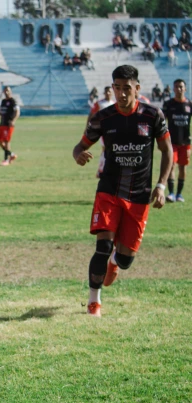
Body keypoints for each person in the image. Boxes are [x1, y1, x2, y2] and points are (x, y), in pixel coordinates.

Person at [72, 65, 172, 317]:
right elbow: (80, 145)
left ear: (137, 88)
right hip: (108, 192)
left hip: (139, 196)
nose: (121, 93)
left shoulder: (153, 115)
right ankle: (94, 300)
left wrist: (161, 185)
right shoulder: (103, 118)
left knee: (125, 259)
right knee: (102, 247)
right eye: (117, 88)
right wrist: (78, 155)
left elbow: (167, 150)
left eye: (127, 88)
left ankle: (116, 262)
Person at [162, 79, 191, 203]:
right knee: (171, 166)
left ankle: (179, 194)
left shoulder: (189, 104)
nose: (179, 89)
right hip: (171, 142)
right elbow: (162, 121)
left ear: (185, 89)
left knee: (183, 168)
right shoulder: (168, 104)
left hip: (185, 142)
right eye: (176, 87)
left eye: (181, 87)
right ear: (173, 89)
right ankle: (171, 193)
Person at [87, 85, 116, 178]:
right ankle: (101, 170)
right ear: (104, 93)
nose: (108, 93)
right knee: (105, 148)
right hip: (103, 130)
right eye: (106, 91)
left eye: (109, 91)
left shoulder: (115, 103)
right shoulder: (99, 104)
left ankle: (105, 169)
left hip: (113, 130)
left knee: (110, 149)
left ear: (112, 93)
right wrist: (88, 126)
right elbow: (91, 114)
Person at [0, 86, 20, 166]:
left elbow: (17, 112)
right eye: (5, 91)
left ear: (10, 92)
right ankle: (12, 155)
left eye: (8, 90)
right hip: (2, 124)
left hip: (8, 124)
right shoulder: (3, 101)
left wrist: (13, 121)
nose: (6, 92)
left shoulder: (13, 101)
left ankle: (6, 160)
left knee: (7, 141)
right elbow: (0, 112)